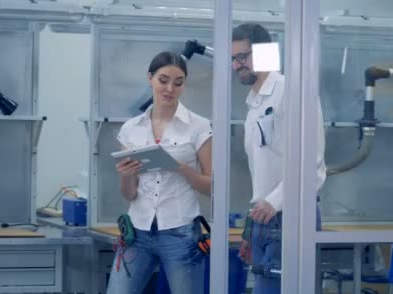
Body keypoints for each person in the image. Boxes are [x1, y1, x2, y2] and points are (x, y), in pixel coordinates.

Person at [106, 51, 212, 294]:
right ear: (150, 78)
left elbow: (213, 185)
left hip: (181, 233)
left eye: (178, 82)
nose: (169, 89)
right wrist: (125, 174)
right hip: (137, 232)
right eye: (163, 80)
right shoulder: (131, 129)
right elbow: (130, 194)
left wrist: (182, 168)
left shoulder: (199, 126)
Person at [232, 23, 327, 293]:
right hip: (264, 217)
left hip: (292, 214)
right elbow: (261, 173)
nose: (237, 65)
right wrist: (253, 230)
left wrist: (273, 203)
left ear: (264, 53)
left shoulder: (293, 91)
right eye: (233, 59)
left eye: (243, 56)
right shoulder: (253, 104)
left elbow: (313, 164)